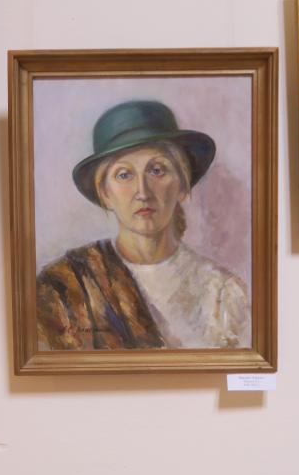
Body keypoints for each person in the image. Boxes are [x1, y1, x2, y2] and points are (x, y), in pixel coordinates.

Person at [36, 100, 250, 350]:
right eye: (124, 175)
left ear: (183, 184)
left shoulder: (222, 293)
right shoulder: (64, 287)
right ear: (105, 193)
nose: (142, 192)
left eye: (157, 170)